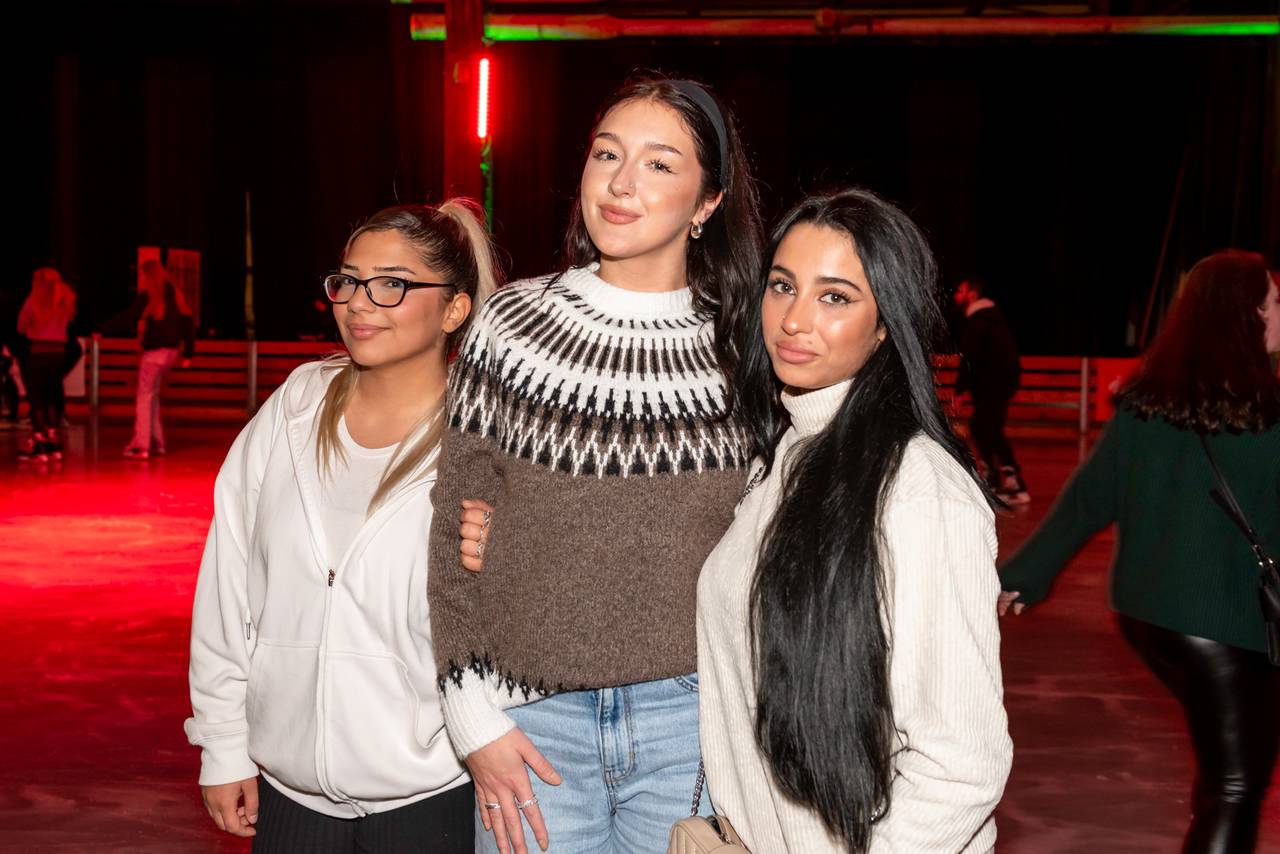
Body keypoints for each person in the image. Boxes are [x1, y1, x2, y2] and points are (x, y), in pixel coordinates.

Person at [427, 75, 763, 854]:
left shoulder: (746, 348)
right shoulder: (512, 324)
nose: (620, 182)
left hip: (692, 726)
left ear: (708, 202)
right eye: (607, 154)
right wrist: (471, 719)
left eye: (659, 164)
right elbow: (451, 535)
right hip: (531, 725)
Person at [695, 189, 1012, 852]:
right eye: (783, 286)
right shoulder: (782, 454)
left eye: (835, 297)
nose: (794, 320)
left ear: (885, 325)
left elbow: (961, 765)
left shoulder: (918, 489)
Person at [185, 200, 497, 853]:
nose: (358, 302)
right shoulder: (294, 409)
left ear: (454, 310)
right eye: (349, 280)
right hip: (290, 795)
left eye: (391, 285)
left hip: (432, 795)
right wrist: (223, 744)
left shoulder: (484, 441)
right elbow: (227, 582)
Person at [999, 249, 1280, 854]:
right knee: (1237, 785)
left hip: (1149, 619)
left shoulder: (1147, 402)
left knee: (1225, 773)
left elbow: (1089, 498)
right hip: (1222, 627)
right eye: (1276, 301)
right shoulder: (1267, 414)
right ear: (1250, 313)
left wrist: (1026, 573)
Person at [99, 259, 196, 459]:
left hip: (154, 354)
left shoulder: (149, 296)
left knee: (144, 397)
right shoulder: (175, 294)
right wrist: (188, 352)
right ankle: (157, 442)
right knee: (152, 396)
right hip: (170, 353)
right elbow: (188, 321)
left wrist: (103, 329)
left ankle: (141, 445)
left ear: (147, 276)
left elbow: (129, 317)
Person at [952, 275, 1028, 503]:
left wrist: (960, 390)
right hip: (997, 384)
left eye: (961, 290)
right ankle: (1011, 482)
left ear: (972, 293)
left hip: (994, 385)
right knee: (990, 430)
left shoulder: (980, 320)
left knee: (980, 428)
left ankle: (997, 480)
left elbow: (969, 357)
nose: (957, 295)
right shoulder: (989, 318)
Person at [16, 267, 77, 462]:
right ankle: (53, 441)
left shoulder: (34, 300)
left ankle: (39, 442)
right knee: (52, 396)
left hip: (39, 352)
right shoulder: (65, 300)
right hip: (59, 354)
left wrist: (32, 329)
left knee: (37, 398)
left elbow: (20, 326)